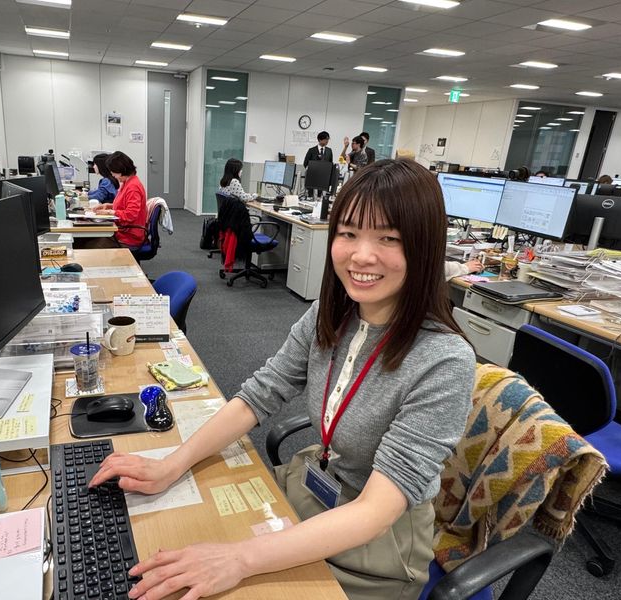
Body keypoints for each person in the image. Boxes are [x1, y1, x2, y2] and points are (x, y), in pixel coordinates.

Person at [89, 159, 476, 600]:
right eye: (348, 233)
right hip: (313, 486)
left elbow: (374, 512)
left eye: (389, 238)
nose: (361, 255)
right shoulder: (332, 313)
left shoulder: (443, 360)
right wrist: (170, 465)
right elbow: (260, 394)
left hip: (375, 548)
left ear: (424, 247)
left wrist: (239, 558)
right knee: (174, 533)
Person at [90, 151, 147, 248]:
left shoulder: (133, 187)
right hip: (122, 231)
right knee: (88, 241)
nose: (112, 174)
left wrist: (110, 212)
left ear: (120, 170)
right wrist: (108, 206)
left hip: (128, 237)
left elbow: (131, 214)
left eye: (113, 171)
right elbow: (125, 205)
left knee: (89, 246)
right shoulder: (127, 183)